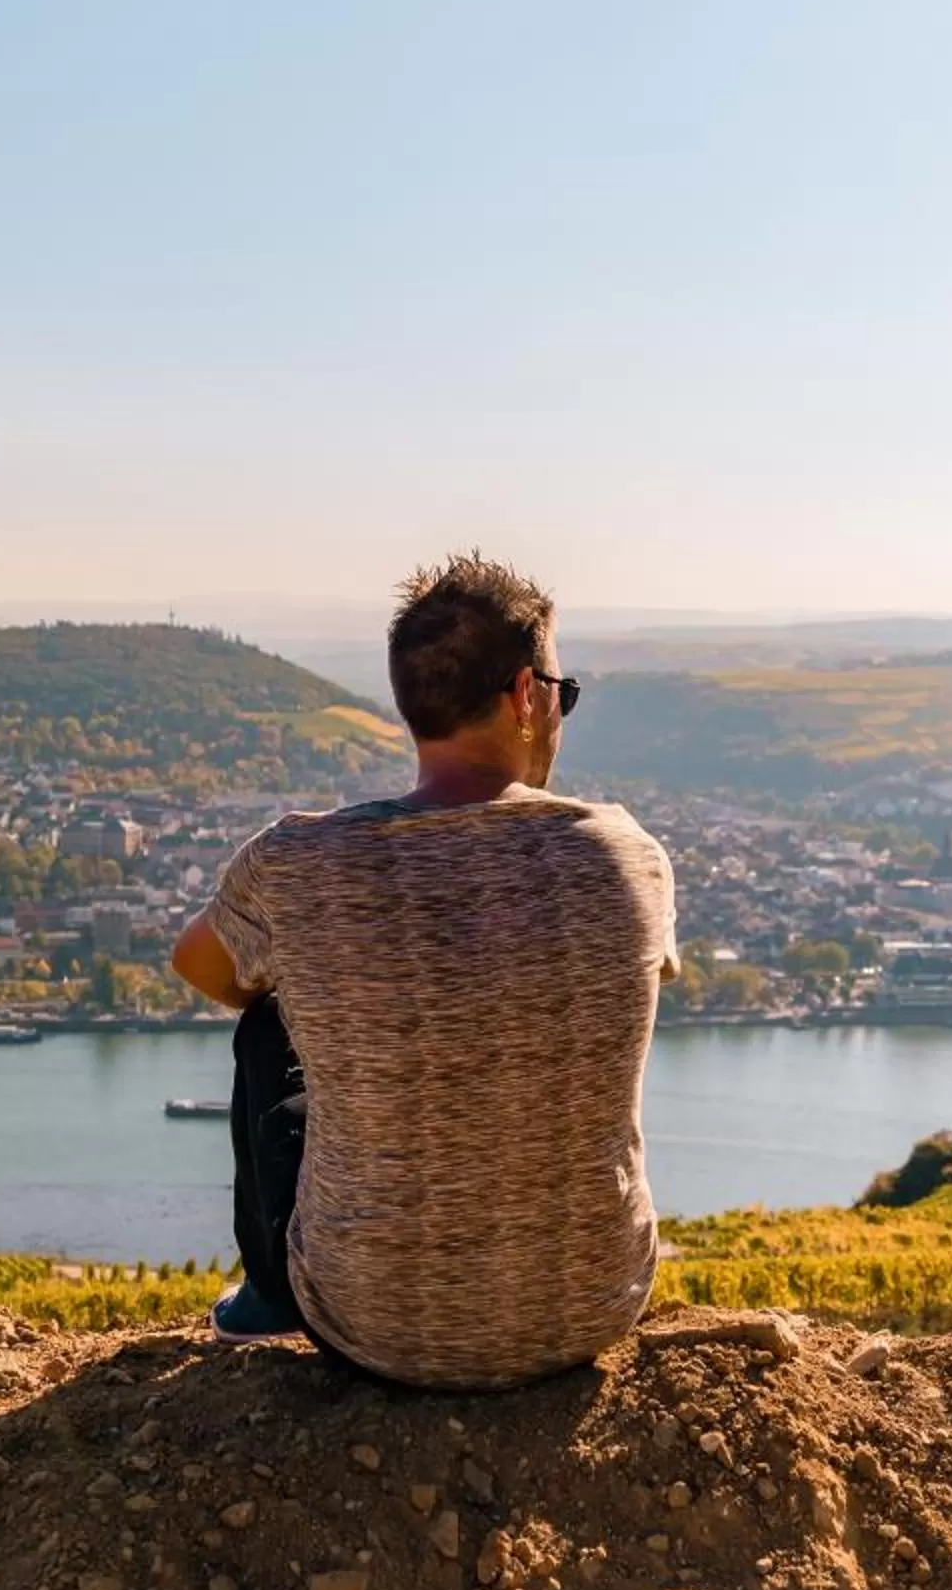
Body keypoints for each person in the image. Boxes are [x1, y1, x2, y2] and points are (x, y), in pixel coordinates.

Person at [169, 553, 679, 1391]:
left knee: (268, 1023)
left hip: (372, 1326)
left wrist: (326, 1001)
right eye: (562, 691)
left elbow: (200, 965)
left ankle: (271, 1294)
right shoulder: (628, 856)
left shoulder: (299, 861)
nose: (560, 710)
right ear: (524, 696)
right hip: (592, 1307)